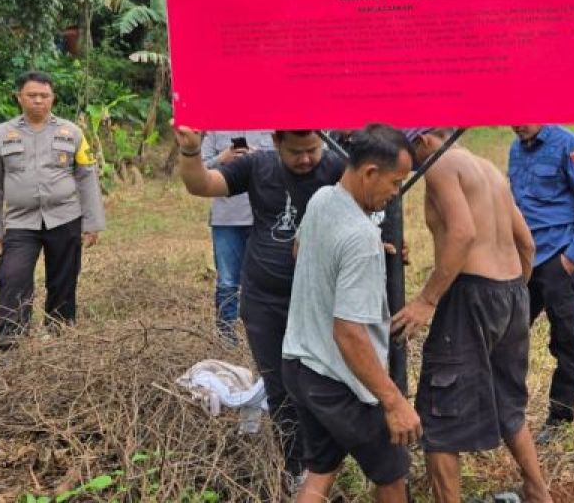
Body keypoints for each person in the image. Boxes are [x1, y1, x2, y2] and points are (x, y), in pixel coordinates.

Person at [174, 126, 344, 480]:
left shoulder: (336, 167)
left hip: (320, 300)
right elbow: (201, 185)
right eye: (297, 151)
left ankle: (326, 466)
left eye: (313, 149)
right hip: (265, 301)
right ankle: (296, 471)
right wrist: (191, 152)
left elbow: (376, 200)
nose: (307, 159)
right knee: (282, 388)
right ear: (277, 141)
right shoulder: (257, 166)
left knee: (319, 384)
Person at [393, 128, 551, 503]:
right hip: (512, 290)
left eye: (409, 149)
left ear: (424, 140)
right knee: (507, 401)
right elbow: (526, 242)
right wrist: (514, 294)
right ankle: (537, 491)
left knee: (441, 411)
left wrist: (428, 300)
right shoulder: (489, 169)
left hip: (471, 294)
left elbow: (462, 234)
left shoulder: (440, 162)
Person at [281, 124, 421, 503]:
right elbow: (349, 333)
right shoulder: (360, 238)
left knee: (321, 473)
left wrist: (367, 253)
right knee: (391, 475)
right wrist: (394, 402)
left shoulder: (323, 198)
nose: (396, 194)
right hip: (340, 381)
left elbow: (300, 250)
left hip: (301, 365)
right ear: (370, 172)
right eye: (395, 183)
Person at [0, 71, 105, 350]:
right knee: (12, 277)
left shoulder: (72, 133)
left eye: (44, 96)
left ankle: (60, 337)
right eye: (31, 95)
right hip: (21, 222)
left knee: (63, 281)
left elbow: (87, 177)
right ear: (19, 97)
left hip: (65, 218)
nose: (38, 101)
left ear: (52, 98)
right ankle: (11, 344)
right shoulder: (2, 135)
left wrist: (92, 223)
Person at [508, 124, 574, 442]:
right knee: (509, 335)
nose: (517, 123)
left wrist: (570, 258)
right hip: (523, 259)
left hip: (558, 258)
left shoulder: (571, 146)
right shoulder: (515, 149)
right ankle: (508, 411)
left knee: (565, 340)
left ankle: (559, 419)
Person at [200, 130, 275, 340]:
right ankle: (226, 337)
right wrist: (222, 158)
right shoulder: (215, 131)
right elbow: (198, 168)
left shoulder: (270, 128)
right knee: (227, 282)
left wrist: (257, 156)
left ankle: (262, 335)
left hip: (262, 218)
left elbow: (285, 164)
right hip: (225, 219)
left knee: (264, 280)